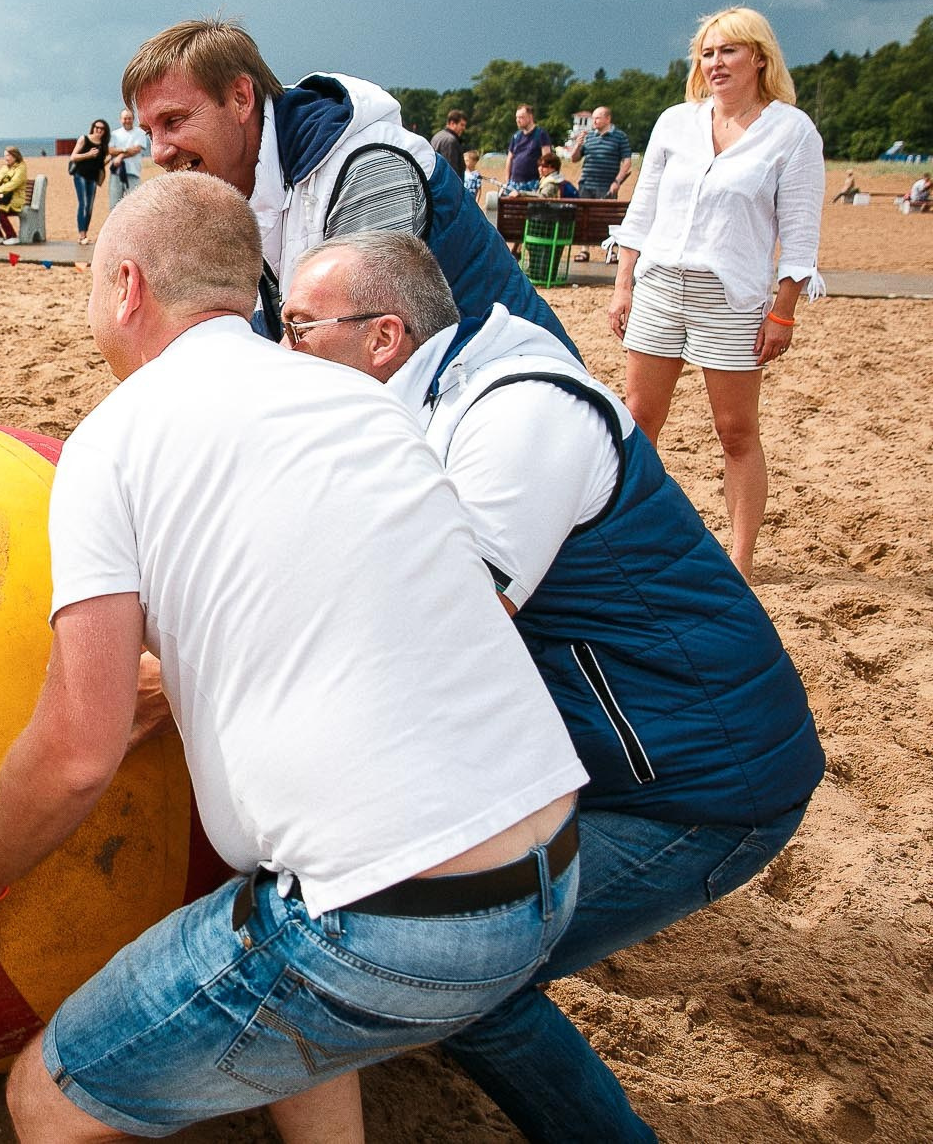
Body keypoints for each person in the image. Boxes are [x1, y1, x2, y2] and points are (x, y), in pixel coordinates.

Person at [0, 172, 585, 1141]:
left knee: (50, 1090)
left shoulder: (114, 441)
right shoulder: (360, 402)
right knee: (281, 978)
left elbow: (80, 746)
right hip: (549, 875)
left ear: (124, 285)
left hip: (383, 927)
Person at [284, 230, 824, 1142]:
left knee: (458, 972)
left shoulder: (515, 415)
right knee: (427, 949)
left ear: (382, 338)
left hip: (703, 786)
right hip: (621, 754)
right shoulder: (425, 399)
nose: (281, 344)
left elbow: (444, 629)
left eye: (299, 325)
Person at [120, 16, 575, 354]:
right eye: (149, 133)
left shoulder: (370, 169)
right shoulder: (242, 187)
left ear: (241, 98)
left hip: (522, 412)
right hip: (438, 412)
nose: (159, 152)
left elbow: (348, 353)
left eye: (175, 121)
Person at [607, 5, 824, 581]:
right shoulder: (675, 122)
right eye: (706, 52)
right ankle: (634, 540)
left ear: (759, 56)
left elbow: (800, 235)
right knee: (639, 419)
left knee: (735, 430)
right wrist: (623, 284)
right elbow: (642, 211)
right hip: (658, 287)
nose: (715, 62)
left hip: (730, 300)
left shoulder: (791, 131)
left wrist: (784, 316)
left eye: (728, 50)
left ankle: (742, 558)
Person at [568, 104, 632, 199]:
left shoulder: (620, 137)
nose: (594, 121)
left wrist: (617, 182)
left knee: (603, 213)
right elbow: (574, 159)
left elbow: (627, 162)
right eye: (593, 118)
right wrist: (577, 145)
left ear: (608, 119)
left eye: (597, 118)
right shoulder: (588, 136)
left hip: (607, 187)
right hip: (585, 186)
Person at [67, 117, 110, 245]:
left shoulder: (103, 145)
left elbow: (100, 163)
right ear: (93, 128)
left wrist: (112, 159)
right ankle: (82, 235)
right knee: (83, 203)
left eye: (102, 129)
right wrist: (88, 154)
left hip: (93, 178)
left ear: (105, 131)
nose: (99, 130)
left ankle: (85, 233)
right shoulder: (84, 139)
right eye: (96, 127)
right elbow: (73, 157)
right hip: (80, 175)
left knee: (90, 206)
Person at [106, 106, 147, 208]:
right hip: (116, 172)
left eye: (129, 118)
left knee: (135, 205)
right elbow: (110, 151)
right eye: (125, 118)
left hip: (133, 172)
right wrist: (125, 150)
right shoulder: (114, 134)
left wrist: (119, 155)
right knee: (114, 205)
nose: (127, 121)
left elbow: (136, 150)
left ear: (133, 119)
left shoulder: (140, 133)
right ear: (121, 120)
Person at [504, 103, 550, 194]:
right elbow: (509, 159)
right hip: (514, 184)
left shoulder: (541, 134)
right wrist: (507, 181)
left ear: (530, 117)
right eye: (516, 117)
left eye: (521, 117)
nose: (518, 120)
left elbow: (547, 159)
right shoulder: (516, 136)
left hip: (532, 184)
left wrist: (544, 181)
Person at [0, 146, 27, 245]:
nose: (6, 158)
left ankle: (12, 236)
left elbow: (13, 184)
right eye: (5, 155)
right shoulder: (4, 168)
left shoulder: (21, 167)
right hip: (2, 197)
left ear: (15, 156)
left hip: (15, 198)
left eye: (8, 155)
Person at [430, 108, 469, 177]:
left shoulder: (437, 136)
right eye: (462, 125)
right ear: (452, 123)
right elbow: (451, 170)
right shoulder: (450, 141)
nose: (464, 128)